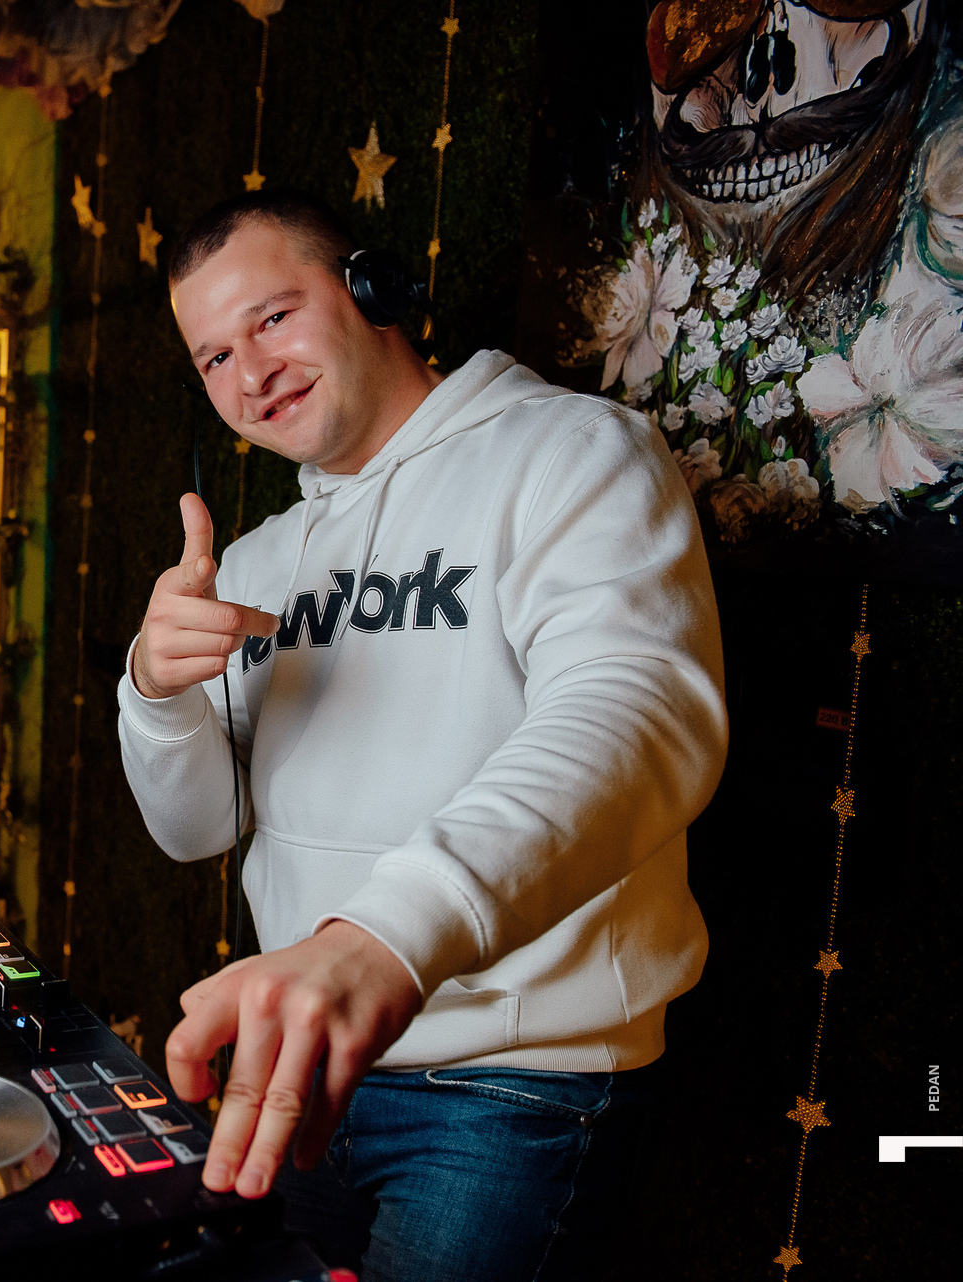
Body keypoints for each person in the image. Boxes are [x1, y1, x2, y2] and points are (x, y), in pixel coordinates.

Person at [117, 190, 726, 1281]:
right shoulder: (253, 562)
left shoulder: (574, 452)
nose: (250, 375)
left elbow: (638, 712)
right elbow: (194, 829)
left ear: (372, 289)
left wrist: (385, 940)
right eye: (213, 357)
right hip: (306, 1063)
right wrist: (155, 691)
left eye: (271, 318)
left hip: (514, 1087)